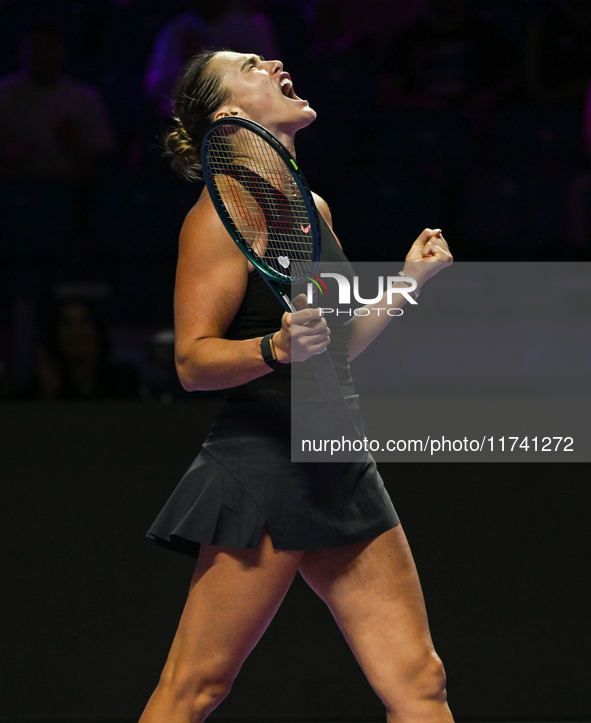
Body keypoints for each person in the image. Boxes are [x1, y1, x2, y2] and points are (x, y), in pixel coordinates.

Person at [140, 50, 454, 723]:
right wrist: (271, 346)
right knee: (193, 689)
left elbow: (335, 345)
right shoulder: (218, 215)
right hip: (266, 462)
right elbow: (192, 363)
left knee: (419, 683)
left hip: (339, 458)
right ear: (227, 116)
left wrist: (405, 284)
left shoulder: (310, 206)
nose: (274, 61)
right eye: (250, 64)